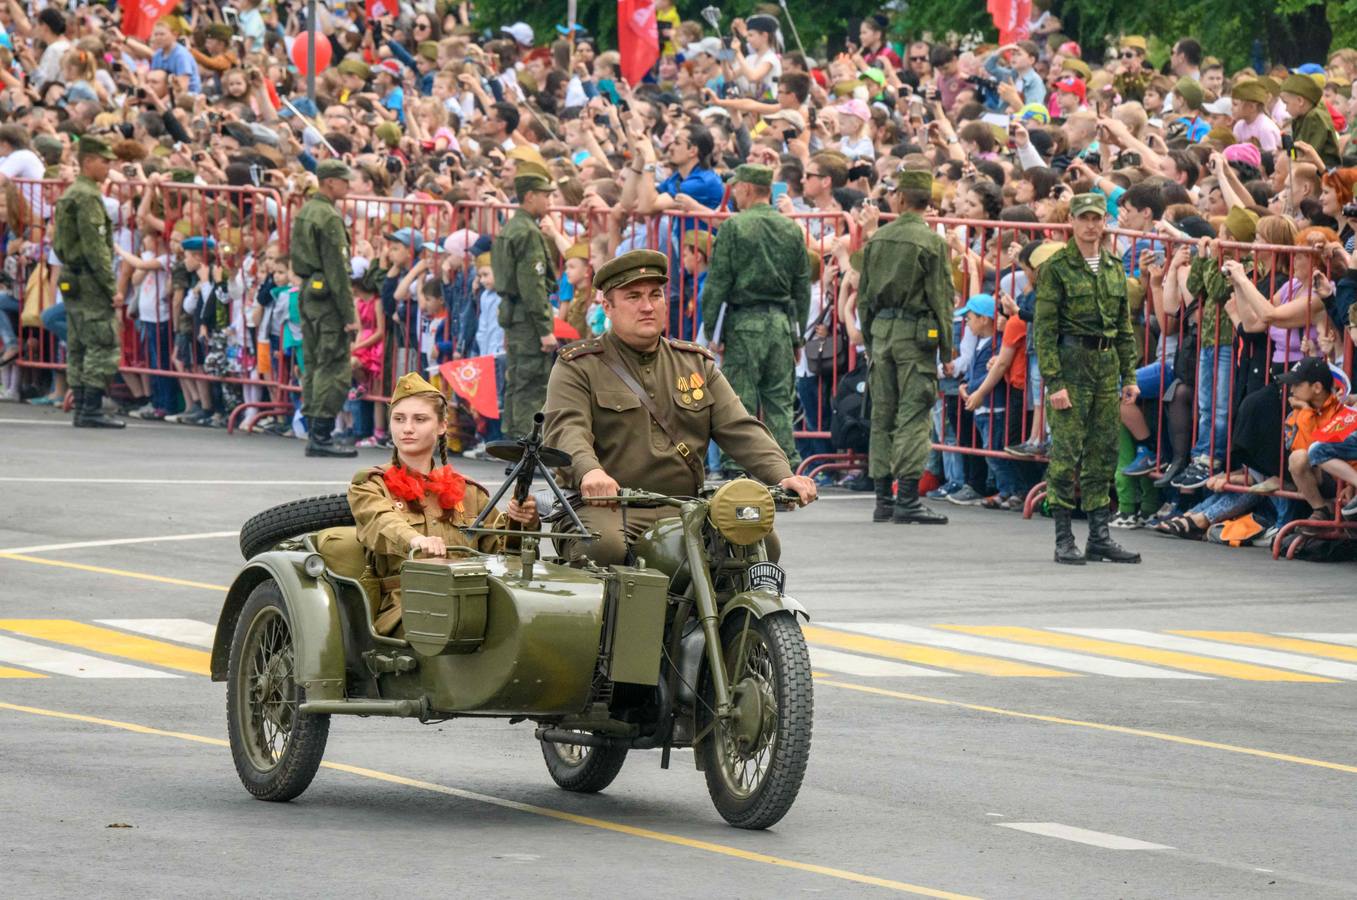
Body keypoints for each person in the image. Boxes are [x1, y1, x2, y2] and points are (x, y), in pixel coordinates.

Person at [542, 249, 817, 567]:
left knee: (760, 541)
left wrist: (783, 475)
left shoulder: (693, 362)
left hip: (686, 505)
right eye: (633, 297)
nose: (647, 306)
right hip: (609, 506)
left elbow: (740, 428)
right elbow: (567, 429)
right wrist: (589, 472)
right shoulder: (579, 365)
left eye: (655, 295)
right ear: (608, 306)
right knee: (603, 549)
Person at [348, 372, 537, 635]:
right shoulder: (370, 485)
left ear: (441, 426)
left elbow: (504, 552)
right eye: (399, 419)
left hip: (473, 603)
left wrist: (523, 521)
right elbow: (381, 520)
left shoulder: (467, 492)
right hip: (408, 607)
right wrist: (414, 540)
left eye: (420, 419)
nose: (407, 428)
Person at [1034, 193, 1141, 565]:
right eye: (1085, 218)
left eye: (1097, 218)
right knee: (1065, 454)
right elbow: (1044, 332)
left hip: (1106, 363)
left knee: (1103, 453)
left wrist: (1129, 374)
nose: (1092, 225)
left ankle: (1099, 536)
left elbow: (1124, 328)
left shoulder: (1114, 267)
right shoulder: (1057, 267)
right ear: (1073, 222)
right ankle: (1064, 536)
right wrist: (1054, 382)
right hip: (1071, 363)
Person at [701, 164, 810, 474]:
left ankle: (737, 467)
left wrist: (713, 331)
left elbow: (717, 284)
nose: (733, 193)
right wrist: (797, 336)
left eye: (736, 188)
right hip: (779, 323)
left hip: (744, 323)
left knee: (739, 399)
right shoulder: (791, 228)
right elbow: (802, 288)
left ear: (747, 188)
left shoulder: (735, 228)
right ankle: (784, 468)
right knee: (779, 400)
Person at [858, 170, 953, 524]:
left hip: (882, 331)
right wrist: (948, 349)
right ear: (927, 201)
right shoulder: (930, 242)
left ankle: (883, 498)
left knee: (882, 414)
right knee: (914, 414)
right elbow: (941, 298)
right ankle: (907, 498)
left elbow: (864, 298)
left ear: (900, 199)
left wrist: (870, 336)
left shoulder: (878, 238)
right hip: (916, 335)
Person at [52, 136, 123, 429]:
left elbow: (58, 244)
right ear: (88, 161)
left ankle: (82, 406)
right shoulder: (87, 196)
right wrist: (111, 287)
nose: (109, 167)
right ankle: (90, 407)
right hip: (90, 279)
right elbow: (96, 248)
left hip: (72, 274)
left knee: (79, 341)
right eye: (104, 161)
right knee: (99, 341)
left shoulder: (70, 193)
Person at [290, 159, 359, 458]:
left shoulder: (307, 211)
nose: (348, 186)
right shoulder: (329, 217)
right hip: (328, 298)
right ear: (330, 181)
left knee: (315, 363)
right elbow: (338, 273)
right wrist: (350, 314)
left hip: (308, 291)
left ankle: (316, 430)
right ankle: (321, 434)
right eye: (344, 181)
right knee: (333, 365)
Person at [491, 161, 557, 438]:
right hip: (528, 319)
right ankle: (527, 445)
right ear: (530, 196)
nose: (549, 201)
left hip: (513, 314)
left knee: (517, 380)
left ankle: (514, 441)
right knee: (532, 384)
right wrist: (545, 330)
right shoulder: (528, 232)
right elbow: (533, 286)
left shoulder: (511, 228)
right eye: (545, 195)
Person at [1280, 73, 1341, 169]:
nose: (1285, 109)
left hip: (1326, 172)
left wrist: (1286, 153)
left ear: (1300, 101)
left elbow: (1304, 155)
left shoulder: (1314, 117)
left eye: (1286, 103)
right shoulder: (1301, 117)